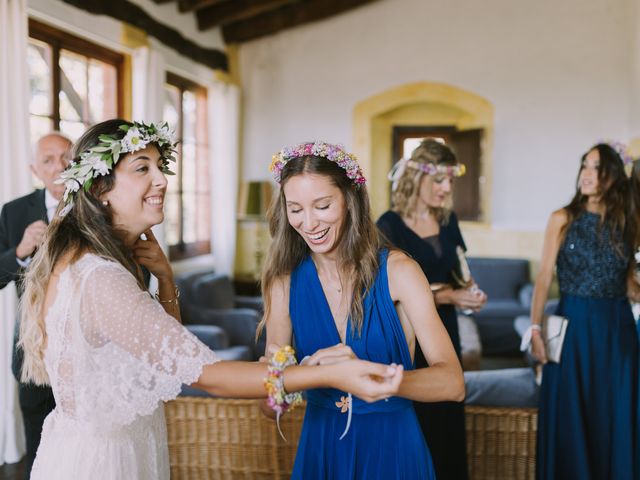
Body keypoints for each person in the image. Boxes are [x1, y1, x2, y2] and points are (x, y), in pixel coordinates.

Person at [18, 120, 404, 480]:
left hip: (112, 449)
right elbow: (210, 375)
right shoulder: (101, 278)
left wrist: (166, 282)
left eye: (159, 166)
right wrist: (330, 374)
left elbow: (167, 354)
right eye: (142, 168)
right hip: (102, 465)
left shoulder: (92, 262)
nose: (162, 180)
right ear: (101, 189)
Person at [259, 141, 465, 479]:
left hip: (392, 449)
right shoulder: (283, 284)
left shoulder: (400, 271)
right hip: (321, 449)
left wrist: (375, 378)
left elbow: (452, 383)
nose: (308, 223)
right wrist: (293, 378)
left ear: (350, 200)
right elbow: (268, 409)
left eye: (322, 206)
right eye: (295, 209)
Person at [526, 143, 639, 479]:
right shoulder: (562, 218)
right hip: (572, 327)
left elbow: (630, 284)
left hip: (616, 330)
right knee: (572, 414)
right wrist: (534, 330)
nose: (587, 175)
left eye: (597, 168)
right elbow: (544, 277)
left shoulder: (627, 221)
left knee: (614, 412)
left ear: (613, 177)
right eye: (584, 166)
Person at [376, 138, 486, 480]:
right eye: (439, 180)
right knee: (414, 416)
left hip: (445, 330)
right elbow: (382, 294)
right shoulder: (388, 225)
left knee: (447, 413)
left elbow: (460, 272)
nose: (446, 188)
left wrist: (470, 291)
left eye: (450, 181)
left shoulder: (448, 220)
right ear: (417, 178)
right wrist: (449, 297)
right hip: (406, 337)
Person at [0, 131, 72, 478]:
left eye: (66, 156)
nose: (59, 166)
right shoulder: (14, 212)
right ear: (35, 169)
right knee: (39, 443)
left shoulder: (100, 205)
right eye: (48, 160)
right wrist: (19, 252)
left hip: (86, 350)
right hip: (33, 350)